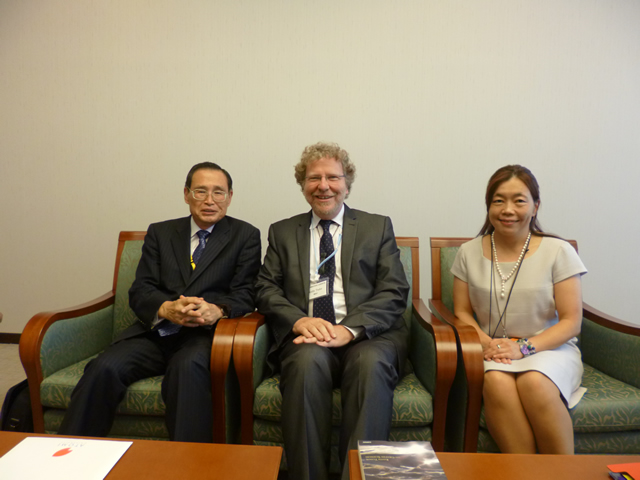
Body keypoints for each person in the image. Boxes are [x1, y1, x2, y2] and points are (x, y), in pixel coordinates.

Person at [58, 162, 261, 442]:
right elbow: (141, 289)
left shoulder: (245, 235)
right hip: (156, 333)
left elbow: (246, 292)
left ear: (230, 197)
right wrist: (165, 308)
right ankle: (69, 453)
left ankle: (187, 461)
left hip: (203, 336)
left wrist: (218, 310)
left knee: (187, 371)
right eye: (200, 191)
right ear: (186, 194)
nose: (209, 200)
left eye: (218, 192)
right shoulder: (161, 232)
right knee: (104, 367)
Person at [255, 142, 409, 480]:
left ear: (346, 184)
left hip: (367, 336)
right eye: (314, 178)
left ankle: (358, 476)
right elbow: (265, 288)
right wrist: (299, 321)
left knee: (370, 363)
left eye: (332, 177)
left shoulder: (376, 227)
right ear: (303, 185)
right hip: (308, 337)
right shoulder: (283, 231)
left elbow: (394, 290)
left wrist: (348, 330)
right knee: (305, 365)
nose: (323, 186)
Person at [451, 164, 587, 454]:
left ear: (535, 207)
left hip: (550, 349)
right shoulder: (468, 252)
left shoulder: (558, 251)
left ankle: (562, 472)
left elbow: (571, 321)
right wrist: (487, 343)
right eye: (498, 200)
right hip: (493, 350)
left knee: (535, 382)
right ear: (489, 206)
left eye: (519, 201)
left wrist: (522, 348)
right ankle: (525, 471)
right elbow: (461, 312)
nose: (508, 210)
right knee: (496, 382)